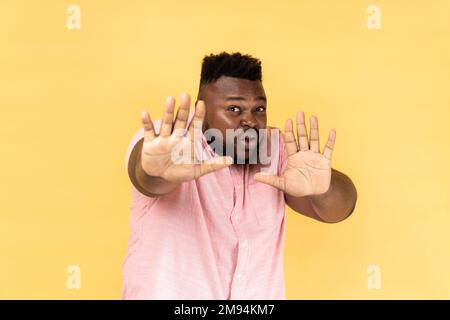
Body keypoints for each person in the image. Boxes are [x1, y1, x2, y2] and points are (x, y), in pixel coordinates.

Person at [122, 52, 357, 299]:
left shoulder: (277, 150)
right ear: (201, 109)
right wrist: (155, 171)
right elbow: (148, 180)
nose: (250, 120)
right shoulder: (167, 141)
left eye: (259, 109)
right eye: (234, 109)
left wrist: (323, 189)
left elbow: (339, 209)